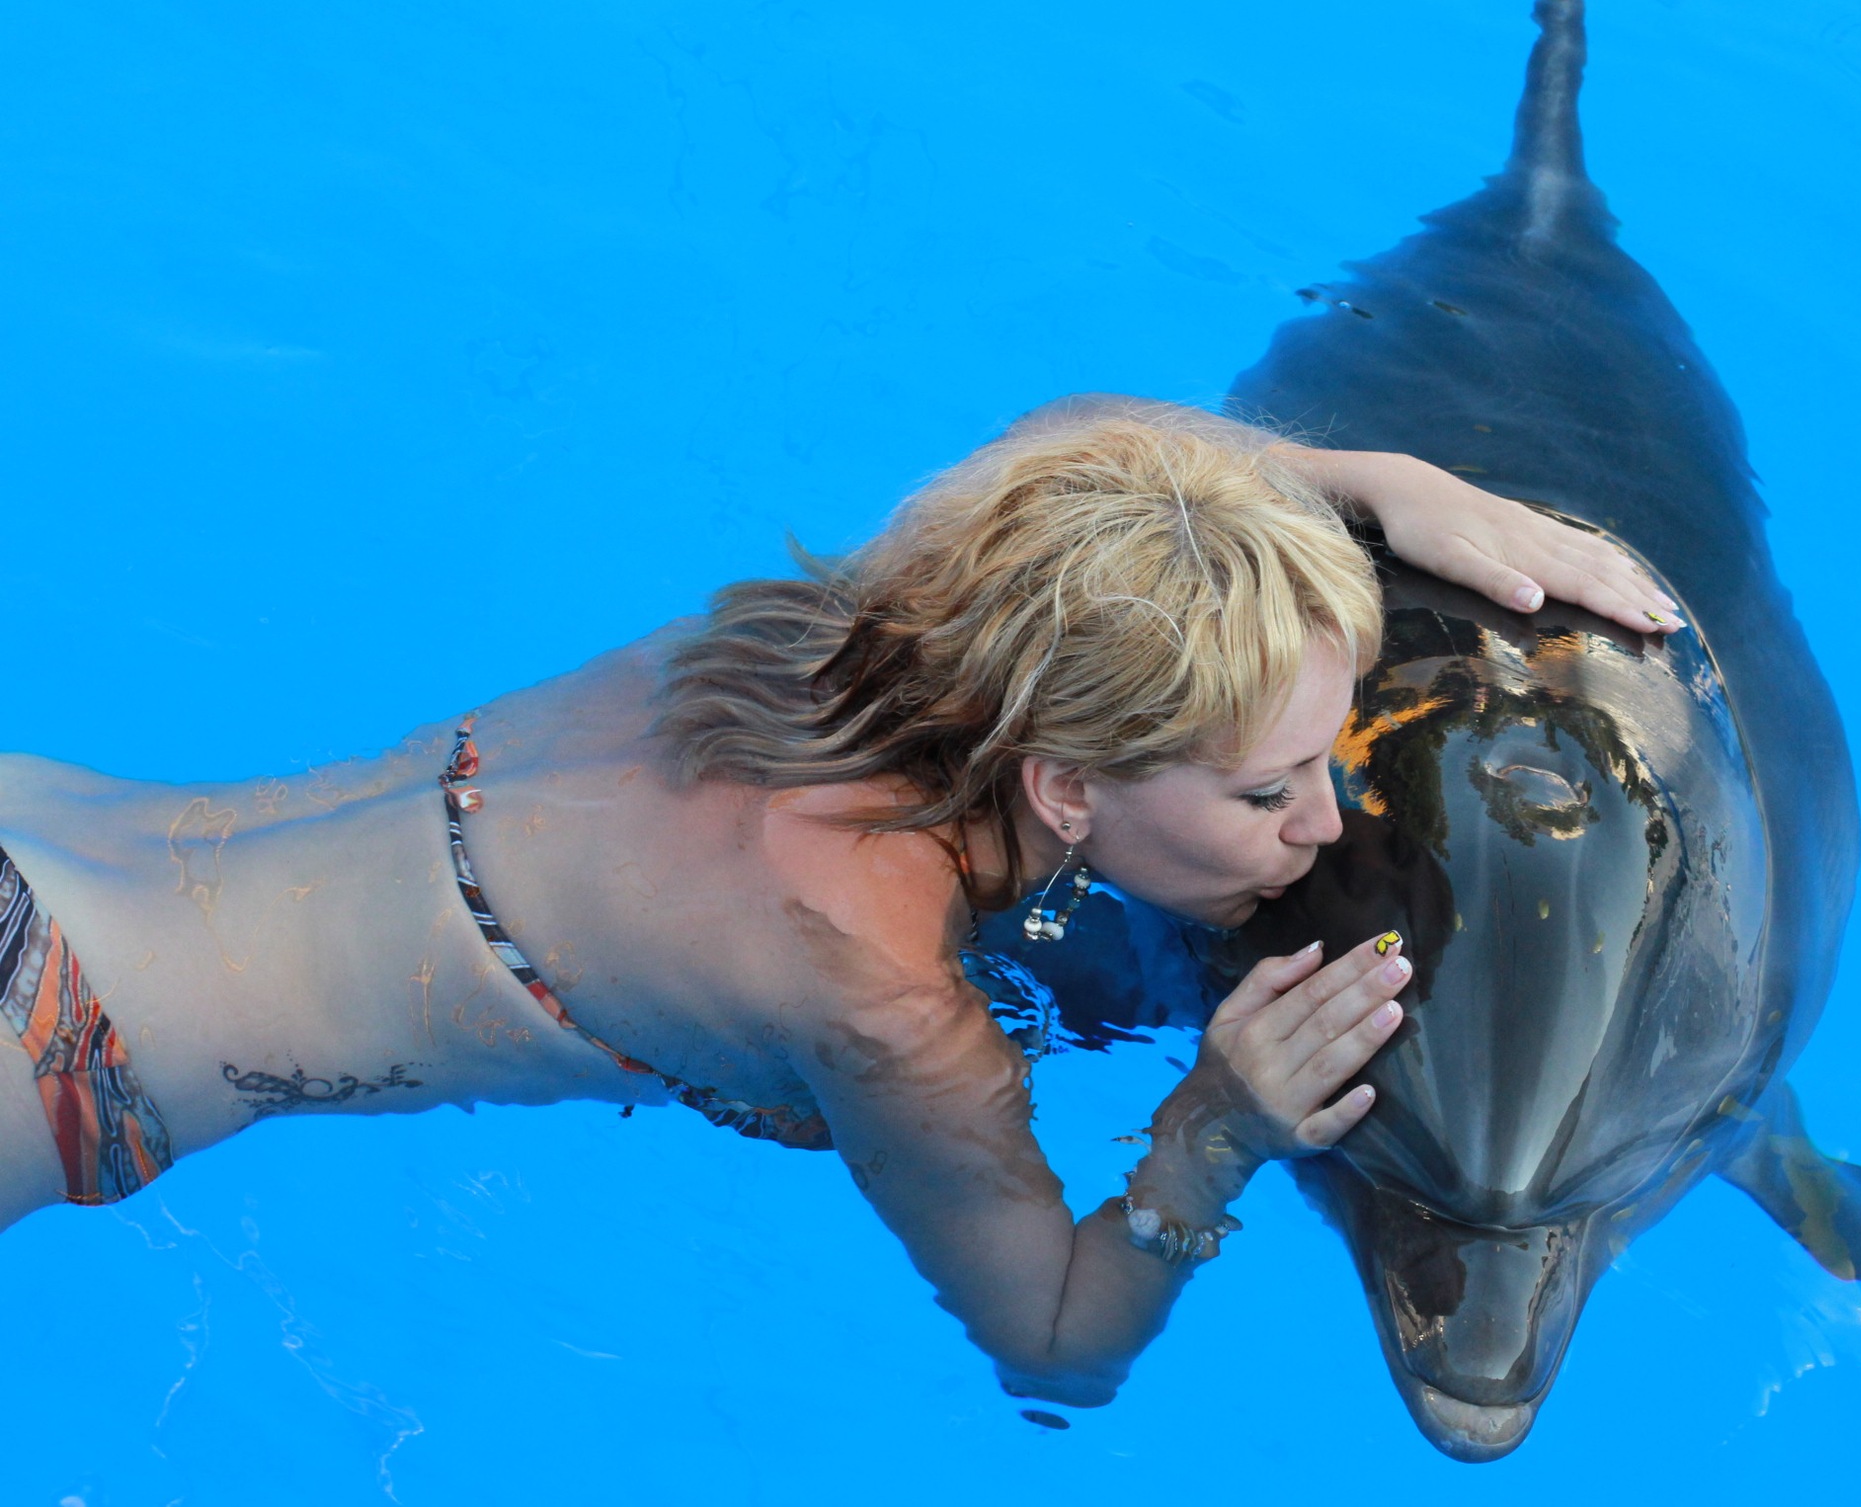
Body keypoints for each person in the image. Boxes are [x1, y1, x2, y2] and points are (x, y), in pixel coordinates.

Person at [0, 398, 1679, 1404]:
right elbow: (1055, 1342)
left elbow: (1076, 440)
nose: (1326, 821)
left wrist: (1372, 481)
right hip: (73, 1054)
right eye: (1265, 790)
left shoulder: (926, 591)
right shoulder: (873, 985)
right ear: (1066, 792)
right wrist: (1212, 1131)